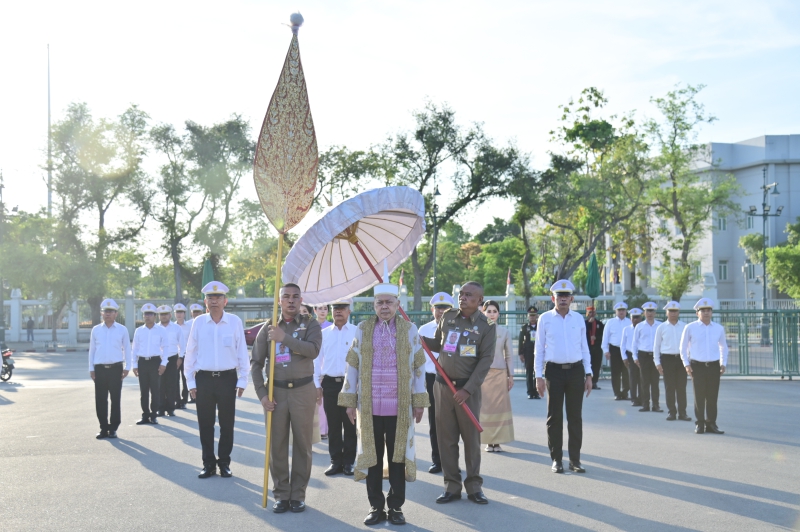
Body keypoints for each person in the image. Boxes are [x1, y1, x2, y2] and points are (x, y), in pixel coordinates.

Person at [338, 278, 428, 526]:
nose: (384, 306)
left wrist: (419, 401)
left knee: (398, 458)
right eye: (380, 302)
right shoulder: (363, 329)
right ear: (374, 305)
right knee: (373, 456)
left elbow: (419, 367)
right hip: (368, 408)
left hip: (400, 407)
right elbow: (352, 366)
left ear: (398, 304)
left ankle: (396, 507)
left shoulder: (410, 330)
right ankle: (375, 506)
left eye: (389, 302)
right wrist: (349, 400)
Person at [421, 281, 495, 506]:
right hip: (442, 387)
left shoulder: (487, 325)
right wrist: (418, 338)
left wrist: (467, 389)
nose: (462, 298)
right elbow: (439, 345)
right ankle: (451, 487)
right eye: (461, 294)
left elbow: (485, 361)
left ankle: (474, 487)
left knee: (471, 441)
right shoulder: (448, 317)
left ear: (479, 300)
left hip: (467, 391)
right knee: (446, 439)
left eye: (468, 295)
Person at [252, 283, 322, 513]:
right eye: (286, 297)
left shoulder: (310, 324)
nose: (291, 300)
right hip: (276, 393)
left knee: (303, 445)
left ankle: (298, 494)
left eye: (295, 297)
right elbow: (256, 363)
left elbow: (313, 350)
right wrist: (262, 394)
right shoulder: (268, 328)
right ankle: (281, 493)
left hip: (303, 391)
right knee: (277, 445)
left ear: (301, 300)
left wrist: (284, 338)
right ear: (279, 301)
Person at [184, 282, 250, 478]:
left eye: (218, 298)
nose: (214, 301)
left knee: (226, 423)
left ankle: (224, 463)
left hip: (227, 379)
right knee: (205, 423)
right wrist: (190, 382)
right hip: (203, 379)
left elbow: (241, 352)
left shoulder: (234, 322)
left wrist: (243, 380)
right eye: (210, 299)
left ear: (225, 301)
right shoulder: (198, 323)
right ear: (205, 302)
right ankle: (208, 463)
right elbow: (190, 353)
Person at [535, 279, 592, 474]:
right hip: (554, 371)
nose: (563, 299)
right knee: (554, 417)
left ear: (572, 299)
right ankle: (556, 459)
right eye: (559, 296)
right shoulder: (545, 319)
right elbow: (539, 350)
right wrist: (538, 376)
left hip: (576, 371)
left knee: (575, 417)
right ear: (553, 298)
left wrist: (589, 374)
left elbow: (584, 348)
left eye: (566, 296)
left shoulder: (577, 319)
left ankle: (575, 460)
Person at [313, 298, 358, 476]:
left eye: (342, 308)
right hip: (330, 383)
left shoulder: (357, 332)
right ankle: (335, 461)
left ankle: (349, 462)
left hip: (350, 383)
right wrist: (317, 384)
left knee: (350, 425)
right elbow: (316, 361)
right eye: (335, 308)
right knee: (333, 425)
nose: (338, 311)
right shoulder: (324, 334)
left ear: (349, 310)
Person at [417, 292, 455, 474]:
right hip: (432, 379)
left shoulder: (457, 328)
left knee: (452, 423)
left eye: (445, 308)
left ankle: (451, 461)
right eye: (438, 308)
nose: (441, 311)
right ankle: (437, 460)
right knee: (435, 420)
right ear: (432, 309)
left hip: (452, 379)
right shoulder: (423, 330)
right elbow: (416, 360)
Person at [680, 298, 728, 435]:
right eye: (703, 311)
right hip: (697, 366)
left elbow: (723, 347)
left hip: (713, 366)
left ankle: (711, 423)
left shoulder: (718, 328)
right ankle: (700, 424)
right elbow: (682, 348)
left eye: (708, 311)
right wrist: (686, 364)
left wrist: (723, 363)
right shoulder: (690, 327)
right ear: (697, 313)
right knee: (699, 396)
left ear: (712, 312)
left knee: (712, 397)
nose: (706, 313)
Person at [88, 299, 132, 439]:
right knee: (100, 399)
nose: (108, 314)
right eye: (105, 312)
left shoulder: (122, 329)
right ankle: (103, 428)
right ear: (102, 313)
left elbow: (127, 349)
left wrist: (127, 367)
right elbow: (92, 351)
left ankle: (113, 428)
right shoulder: (96, 330)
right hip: (100, 369)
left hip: (116, 369)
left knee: (115, 399)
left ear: (116, 313)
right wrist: (91, 368)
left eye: (111, 312)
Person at [480, 300, 515, 452]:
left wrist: (511, 375)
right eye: (489, 311)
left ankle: (498, 442)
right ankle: (488, 441)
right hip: (483, 376)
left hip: (500, 375)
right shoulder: (478, 331)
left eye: (494, 311)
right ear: (483, 312)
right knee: (485, 408)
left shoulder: (504, 332)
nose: (492, 314)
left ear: (499, 314)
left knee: (500, 409)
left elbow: (509, 356)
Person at [654, 301, 691, 422]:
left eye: (675, 311)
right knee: (669, 387)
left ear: (678, 312)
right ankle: (671, 412)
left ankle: (682, 412)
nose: (673, 314)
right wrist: (657, 362)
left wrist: (688, 360)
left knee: (681, 387)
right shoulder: (661, 327)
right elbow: (656, 346)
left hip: (681, 359)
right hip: (667, 359)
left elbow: (689, 345)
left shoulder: (685, 327)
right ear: (666, 312)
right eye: (670, 311)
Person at [131, 303, 167, 425]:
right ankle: (145, 415)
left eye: (150, 314)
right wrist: (134, 365)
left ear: (155, 316)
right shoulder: (139, 331)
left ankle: (154, 415)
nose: (148, 316)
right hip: (142, 362)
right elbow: (134, 349)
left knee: (155, 390)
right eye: (146, 314)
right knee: (144, 390)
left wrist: (164, 364)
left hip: (155, 362)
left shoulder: (161, 330)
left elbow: (166, 348)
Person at [632, 302, 663, 413]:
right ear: (644, 313)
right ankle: (645, 404)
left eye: (652, 311)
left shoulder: (660, 325)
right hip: (643, 356)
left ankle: (656, 405)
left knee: (655, 382)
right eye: (647, 311)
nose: (649, 313)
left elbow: (662, 342)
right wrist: (635, 357)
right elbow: (635, 343)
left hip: (655, 356)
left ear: (655, 313)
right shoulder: (639, 326)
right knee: (644, 381)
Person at [305, 303, 328, 440]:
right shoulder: (311, 326)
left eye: (325, 308)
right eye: (320, 308)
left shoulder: (330, 327)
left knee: (323, 403)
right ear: (314, 310)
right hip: (311, 367)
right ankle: (316, 431)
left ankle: (325, 429)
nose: (323, 311)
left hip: (324, 371)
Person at [156, 305, 183, 417]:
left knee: (171, 384)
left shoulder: (176, 328)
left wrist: (180, 358)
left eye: (166, 314)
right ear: (159, 316)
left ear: (170, 315)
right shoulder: (155, 328)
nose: (164, 316)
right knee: (159, 385)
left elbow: (182, 344)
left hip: (172, 359)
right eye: (161, 314)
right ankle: (160, 408)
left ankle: (171, 408)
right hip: (159, 359)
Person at [602, 302, 631, 400]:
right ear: (616, 311)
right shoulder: (611, 322)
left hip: (627, 350)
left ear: (626, 311)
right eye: (619, 310)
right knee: (616, 372)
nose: (621, 312)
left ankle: (625, 391)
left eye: (623, 310)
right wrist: (606, 350)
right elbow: (605, 337)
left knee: (627, 372)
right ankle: (617, 393)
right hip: (615, 349)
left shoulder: (630, 322)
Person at [620, 308, 643, 407]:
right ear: (630, 318)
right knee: (633, 378)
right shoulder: (626, 329)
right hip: (630, 355)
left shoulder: (644, 328)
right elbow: (623, 345)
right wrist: (624, 357)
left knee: (643, 378)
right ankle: (634, 398)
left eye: (637, 317)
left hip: (642, 355)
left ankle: (642, 398)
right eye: (634, 317)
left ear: (641, 318)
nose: (636, 320)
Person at [519, 306, 540, 399]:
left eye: (534, 316)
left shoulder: (540, 326)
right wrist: (521, 353)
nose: (532, 317)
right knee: (529, 372)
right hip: (528, 352)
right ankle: (530, 392)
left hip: (538, 352)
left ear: (536, 316)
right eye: (530, 316)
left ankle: (536, 391)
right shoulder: (524, 327)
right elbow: (520, 341)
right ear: (528, 316)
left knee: (537, 372)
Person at [173, 303, 192, 409]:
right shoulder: (172, 327)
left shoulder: (190, 327)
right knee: (175, 379)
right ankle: (177, 400)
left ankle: (184, 400)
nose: (179, 314)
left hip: (187, 356)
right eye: (177, 312)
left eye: (181, 312)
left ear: (184, 314)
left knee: (186, 379)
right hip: (175, 356)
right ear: (174, 314)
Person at [585, 306, 604, 390]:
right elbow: (583, 333)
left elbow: (603, 335)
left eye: (593, 312)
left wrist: (596, 338)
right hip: (587, 347)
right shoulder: (584, 323)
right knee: (587, 364)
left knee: (596, 365)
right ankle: (586, 381)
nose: (591, 314)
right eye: (589, 312)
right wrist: (589, 324)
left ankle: (594, 382)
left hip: (597, 348)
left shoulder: (600, 324)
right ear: (587, 314)